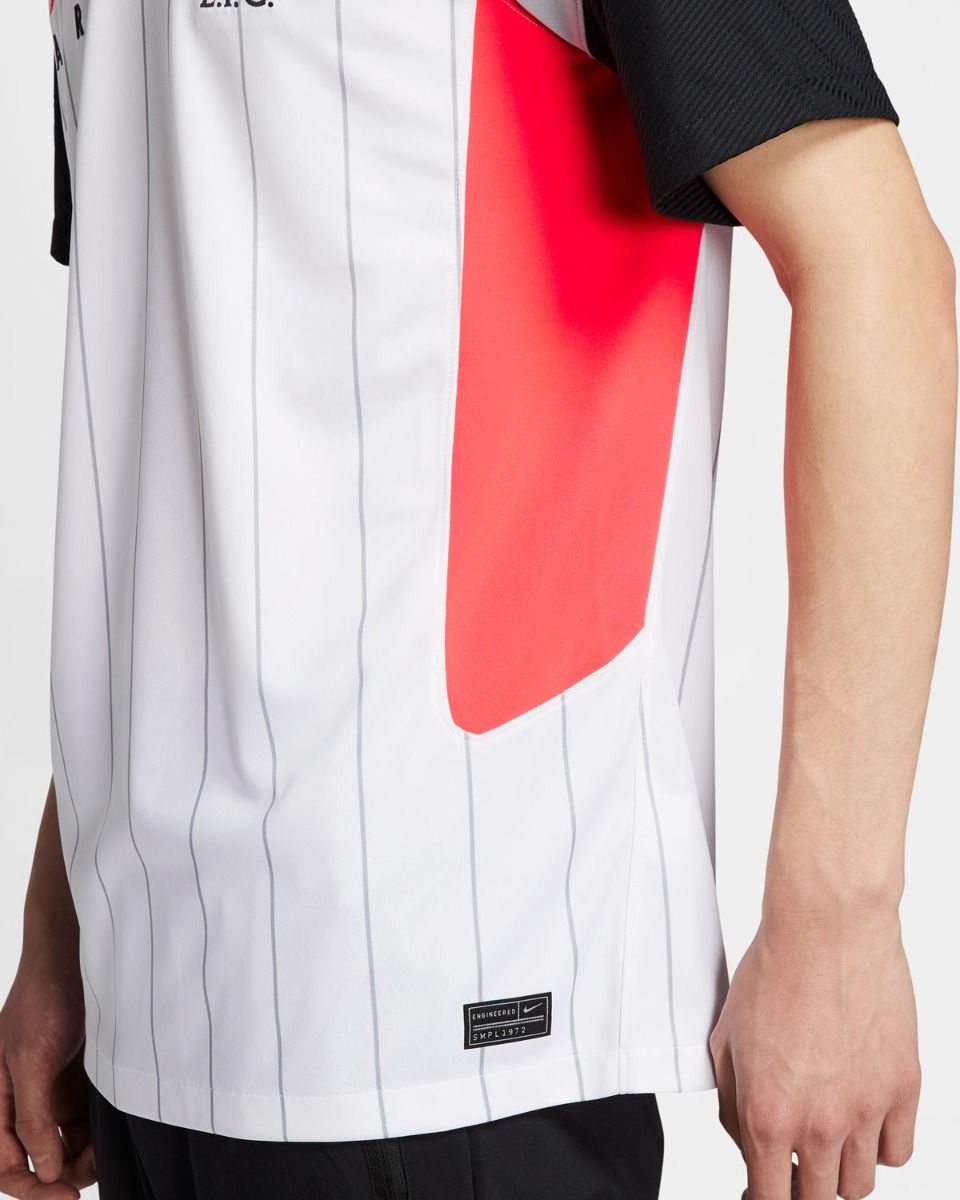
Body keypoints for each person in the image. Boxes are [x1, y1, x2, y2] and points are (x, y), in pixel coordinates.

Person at [1, 0, 955, 1197]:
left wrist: (838, 923)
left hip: (461, 999)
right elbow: (182, 389)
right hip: (160, 1009)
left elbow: (875, 262)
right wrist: (70, 919)